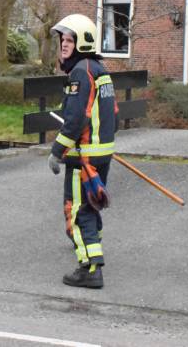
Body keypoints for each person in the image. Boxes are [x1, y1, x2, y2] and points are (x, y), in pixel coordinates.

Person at [47, 14, 118, 289]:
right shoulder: (100, 70)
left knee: (77, 210)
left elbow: (76, 118)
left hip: (84, 157)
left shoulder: (81, 73)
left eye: (69, 40)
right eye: (62, 40)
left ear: (82, 42)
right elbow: (111, 112)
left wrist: (56, 151)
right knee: (90, 205)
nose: (64, 45)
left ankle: (90, 267)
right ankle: (90, 244)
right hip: (101, 154)